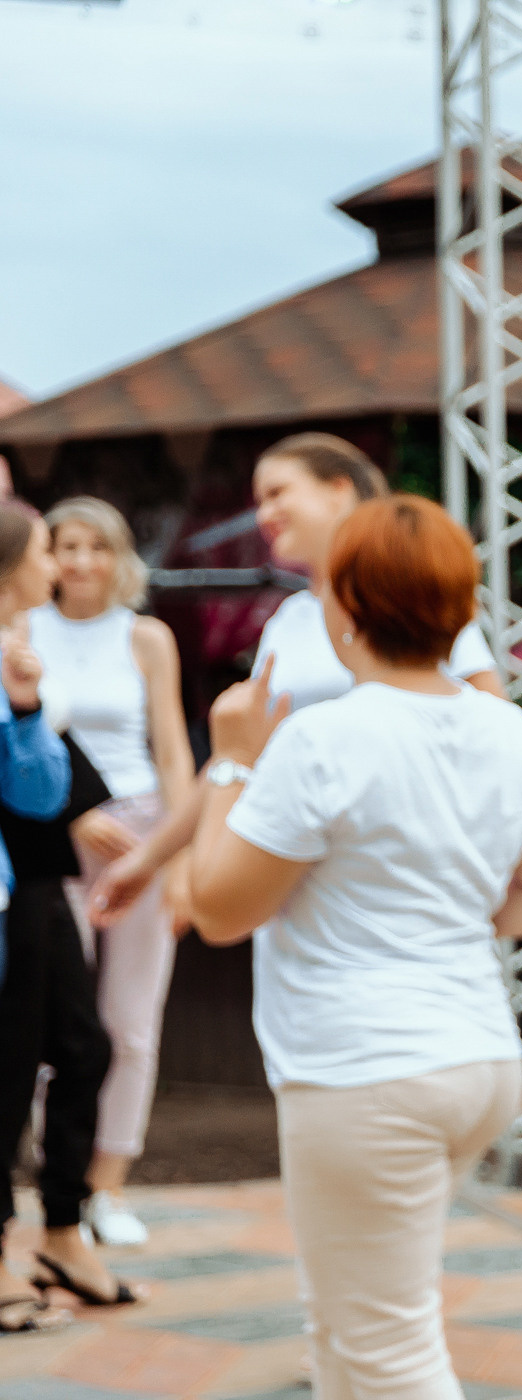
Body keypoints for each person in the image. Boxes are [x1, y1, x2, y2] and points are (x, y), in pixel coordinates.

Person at [186, 494, 522, 1399]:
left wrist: (228, 760)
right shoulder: (503, 725)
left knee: (388, 1353)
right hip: (473, 1057)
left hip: (364, 1072)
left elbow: (215, 907)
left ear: (344, 605)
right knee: (345, 1325)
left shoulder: (320, 739)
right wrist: (447, 910)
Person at [89, 432, 503, 928]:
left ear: (339, 489)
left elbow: (493, 733)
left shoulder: (409, 598)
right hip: (297, 887)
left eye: (278, 493)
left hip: (405, 880)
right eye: (258, 500)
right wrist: (149, 860)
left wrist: (520, 856)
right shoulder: (289, 620)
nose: (263, 514)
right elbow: (236, 754)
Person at [29, 496, 195, 1249]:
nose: (82, 560)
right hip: (52, 835)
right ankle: (53, 1181)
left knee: (131, 1022)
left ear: (118, 554)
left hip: (141, 837)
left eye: (97, 545)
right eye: (67, 545)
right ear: (47, 555)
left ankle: (108, 1184)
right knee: (50, 1021)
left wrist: (177, 851)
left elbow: (171, 752)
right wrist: (66, 814)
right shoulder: (21, 631)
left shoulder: (148, 637)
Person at [0, 502, 110, 1334]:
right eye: (48, 550)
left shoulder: (19, 654)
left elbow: (38, 797)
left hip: (28, 880)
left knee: (81, 1046)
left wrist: (28, 708)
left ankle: (63, 1231)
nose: (60, 565)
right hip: (16, 891)